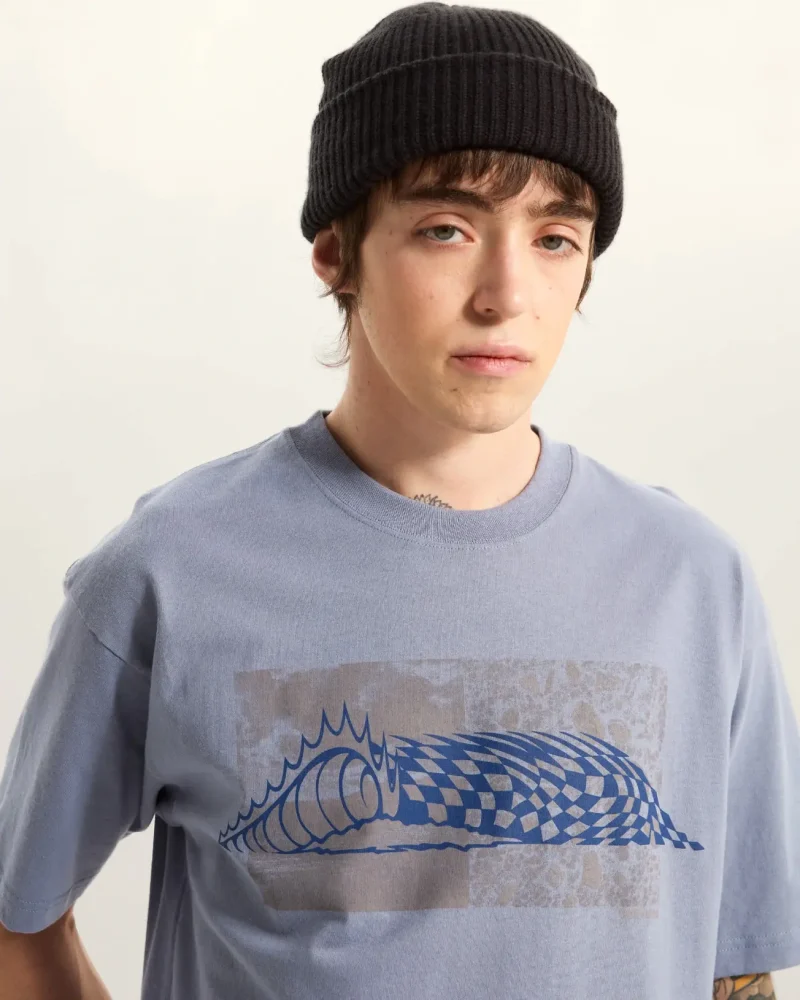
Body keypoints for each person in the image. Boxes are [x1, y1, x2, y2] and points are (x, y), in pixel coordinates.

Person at [1, 4, 798, 998]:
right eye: (445, 229)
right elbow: (15, 923)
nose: (505, 293)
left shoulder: (695, 580)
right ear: (336, 252)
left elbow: (735, 971)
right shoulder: (171, 568)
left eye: (556, 238)